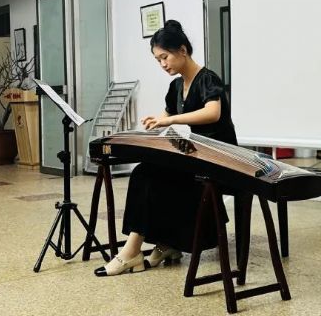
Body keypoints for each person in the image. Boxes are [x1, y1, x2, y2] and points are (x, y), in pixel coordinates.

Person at [95, 20, 236, 277]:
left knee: (152, 175)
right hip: (197, 153)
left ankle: (133, 251)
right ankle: (164, 244)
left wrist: (169, 121)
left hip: (219, 156)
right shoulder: (176, 86)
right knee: (144, 172)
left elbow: (212, 113)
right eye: (158, 60)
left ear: (182, 50)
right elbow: (166, 115)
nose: (162, 64)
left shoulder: (207, 78)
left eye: (165, 57)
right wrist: (153, 124)